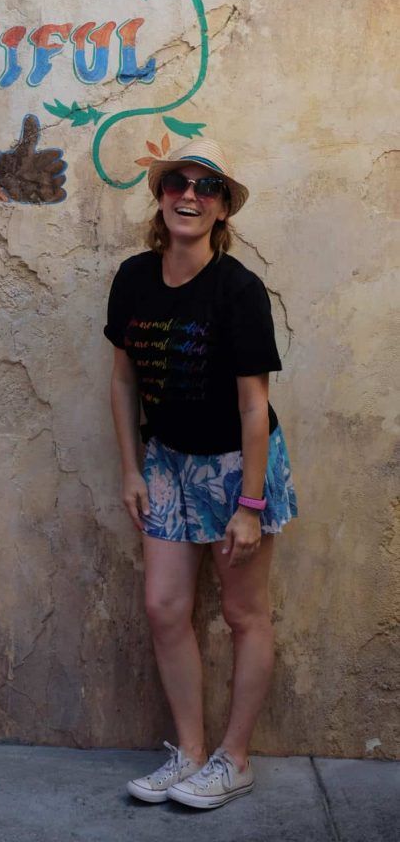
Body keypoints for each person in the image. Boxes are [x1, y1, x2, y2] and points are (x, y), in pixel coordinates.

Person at [104, 138, 297, 810]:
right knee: (163, 608)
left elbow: (253, 404)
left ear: (221, 208)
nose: (188, 195)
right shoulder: (132, 277)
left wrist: (247, 503)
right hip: (165, 463)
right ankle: (187, 753)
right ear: (160, 199)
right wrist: (132, 468)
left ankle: (233, 760)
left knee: (243, 613)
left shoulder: (238, 290)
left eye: (205, 187)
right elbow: (123, 378)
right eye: (176, 184)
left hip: (233, 466)